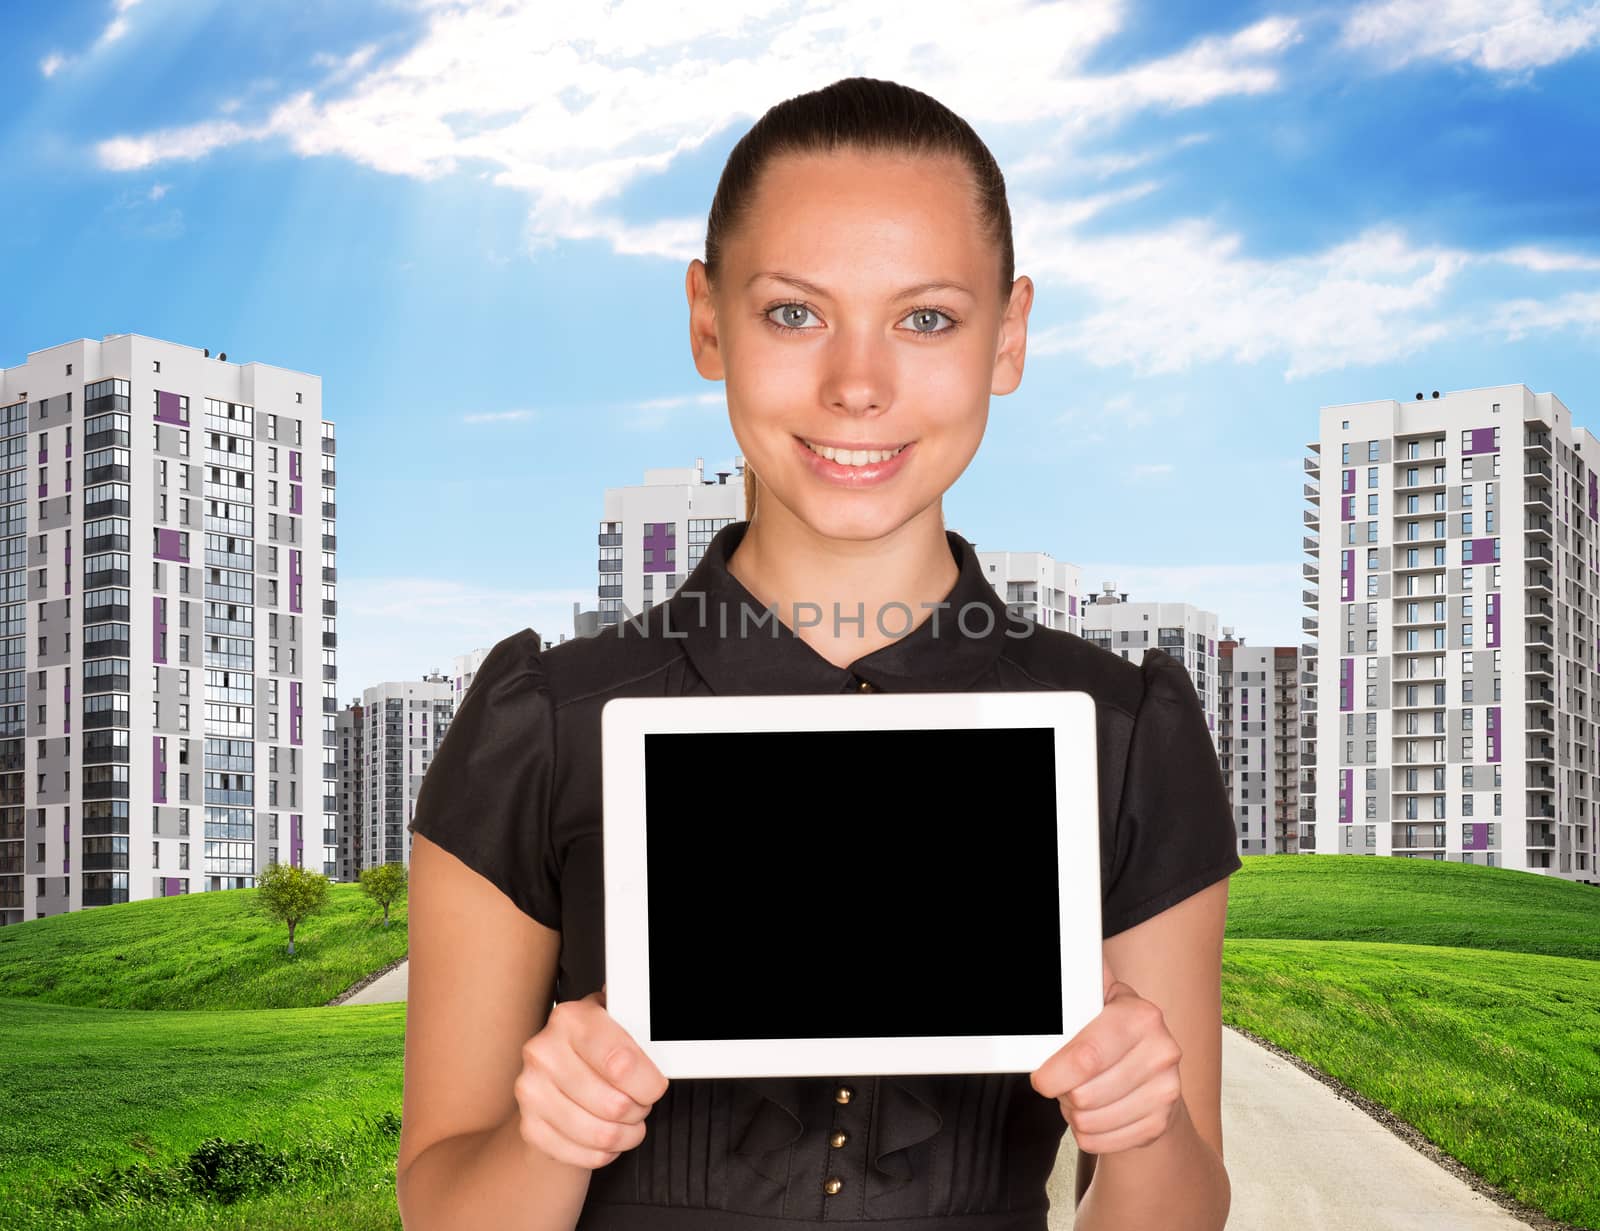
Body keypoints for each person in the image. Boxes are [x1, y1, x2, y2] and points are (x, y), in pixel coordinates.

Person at [395, 76, 1240, 1231]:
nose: (856, 385)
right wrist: (551, 1134)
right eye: (794, 312)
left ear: (1010, 335)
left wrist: (1144, 1123)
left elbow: (1181, 1212)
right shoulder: (540, 725)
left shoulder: (1126, 733)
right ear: (707, 321)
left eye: (926, 318)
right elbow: (440, 1205)